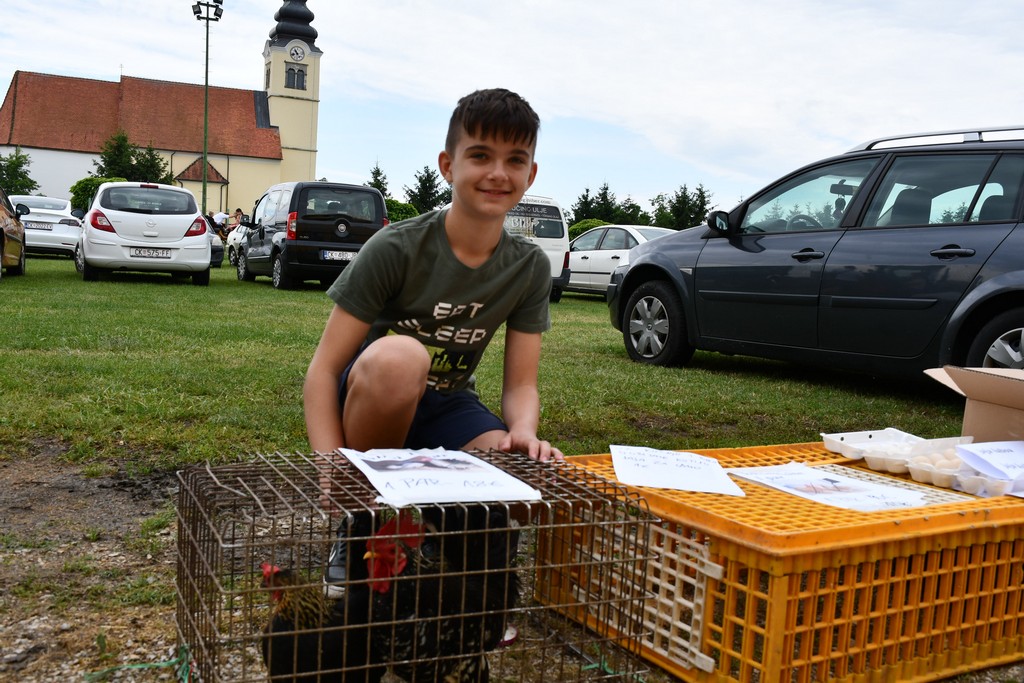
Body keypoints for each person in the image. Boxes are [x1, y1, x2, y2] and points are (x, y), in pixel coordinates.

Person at [305, 89, 563, 595]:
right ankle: (360, 526)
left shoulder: (529, 265)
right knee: (403, 356)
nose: (498, 173)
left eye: (515, 160)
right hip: (376, 394)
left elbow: (521, 385)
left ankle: (438, 542)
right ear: (448, 165)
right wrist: (330, 465)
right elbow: (322, 372)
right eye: (480, 156)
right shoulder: (396, 247)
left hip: (447, 404)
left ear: (531, 174)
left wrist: (525, 432)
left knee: (506, 472)